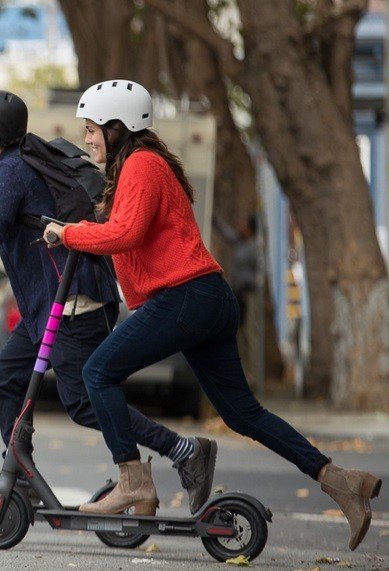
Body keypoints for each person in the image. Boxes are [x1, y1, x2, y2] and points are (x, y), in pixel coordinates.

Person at [43, 79, 382, 549]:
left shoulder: (142, 164)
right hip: (205, 299)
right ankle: (340, 480)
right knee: (242, 413)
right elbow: (126, 235)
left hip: (184, 298)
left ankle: (133, 479)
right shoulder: (138, 168)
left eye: (92, 129)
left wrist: (69, 234)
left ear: (118, 127)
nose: (87, 138)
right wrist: (83, 231)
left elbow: (125, 234)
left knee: (96, 372)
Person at [0, 89, 218, 512]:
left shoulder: (11, 170)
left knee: (84, 402)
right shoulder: (17, 162)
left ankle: (182, 450)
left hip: (73, 304)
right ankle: (20, 472)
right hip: (48, 308)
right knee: (7, 376)